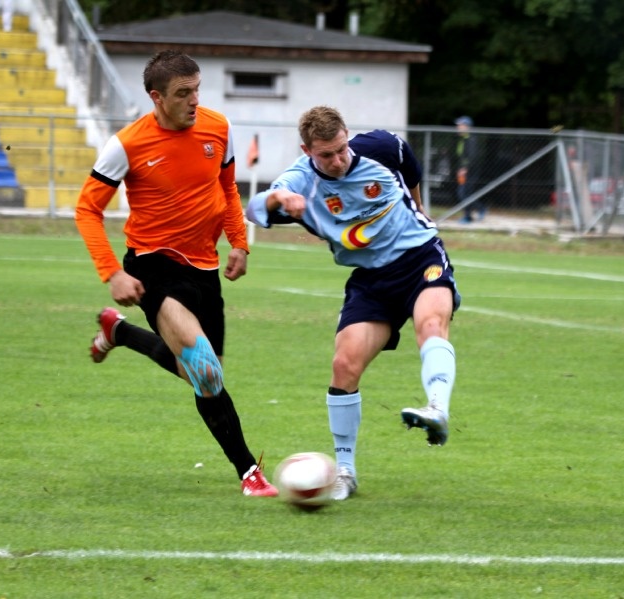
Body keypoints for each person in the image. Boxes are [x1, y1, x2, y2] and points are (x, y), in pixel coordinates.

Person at [74, 50, 277, 498]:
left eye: (197, 90)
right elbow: (87, 210)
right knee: (205, 372)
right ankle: (250, 473)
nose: (194, 101)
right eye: (183, 94)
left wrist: (239, 241)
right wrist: (112, 272)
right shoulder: (126, 144)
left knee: (201, 375)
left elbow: (226, 188)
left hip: (204, 267)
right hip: (153, 266)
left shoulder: (217, 127)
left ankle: (119, 333)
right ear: (157, 98)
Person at [245, 106, 461, 501]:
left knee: (431, 324)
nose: (337, 160)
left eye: (341, 149)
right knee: (344, 364)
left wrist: (418, 207)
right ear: (307, 150)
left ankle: (437, 408)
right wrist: (280, 197)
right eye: (325, 155)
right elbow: (254, 208)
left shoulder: (379, 146)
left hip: (419, 258)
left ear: (347, 135)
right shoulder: (300, 181)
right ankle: (344, 470)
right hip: (371, 280)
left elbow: (406, 158)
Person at [454, 115, 483, 223]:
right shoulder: (463, 139)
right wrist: (459, 169)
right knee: (463, 193)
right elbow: (462, 157)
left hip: (471, 171)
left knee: (465, 193)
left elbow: (472, 156)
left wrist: (465, 168)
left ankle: (473, 213)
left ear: (467, 127)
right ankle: (474, 213)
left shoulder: (471, 139)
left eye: (460, 125)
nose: (458, 128)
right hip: (464, 171)